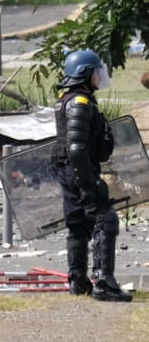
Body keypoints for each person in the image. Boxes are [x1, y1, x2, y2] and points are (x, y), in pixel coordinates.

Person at [52, 49, 131, 302]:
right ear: (85, 73)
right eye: (96, 71)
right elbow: (76, 148)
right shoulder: (80, 103)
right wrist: (89, 184)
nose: (99, 76)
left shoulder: (67, 99)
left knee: (78, 224)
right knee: (105, 219)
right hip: (79, 170)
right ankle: (104, 283)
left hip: (68, 171)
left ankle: (78, 280)